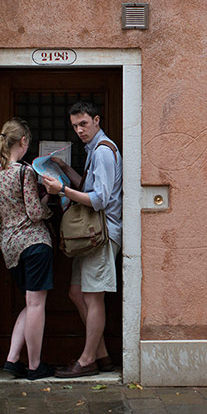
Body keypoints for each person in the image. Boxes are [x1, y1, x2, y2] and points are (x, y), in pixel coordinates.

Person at [42, 101, 123, 378]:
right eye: (75, 126)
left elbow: (99, 200)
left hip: (100, 234)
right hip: (88, 236)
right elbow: (87, 187)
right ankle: (101, 356)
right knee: (77, 293)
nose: (79, 130)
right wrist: (64, 167)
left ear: (96, 120)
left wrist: (61, 189)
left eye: (83, 124)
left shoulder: (103, 152)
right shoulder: (93, 151)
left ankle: (87, 360)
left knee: (92, 296)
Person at [0, 118, 55, 380]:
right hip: (33, 243)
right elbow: (36, 213)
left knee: (30, 303)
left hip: (9, 246)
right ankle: (35, 366)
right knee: (36, 304)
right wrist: (50, 196)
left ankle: (13, 359)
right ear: (23, 141)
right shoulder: (24, 172)